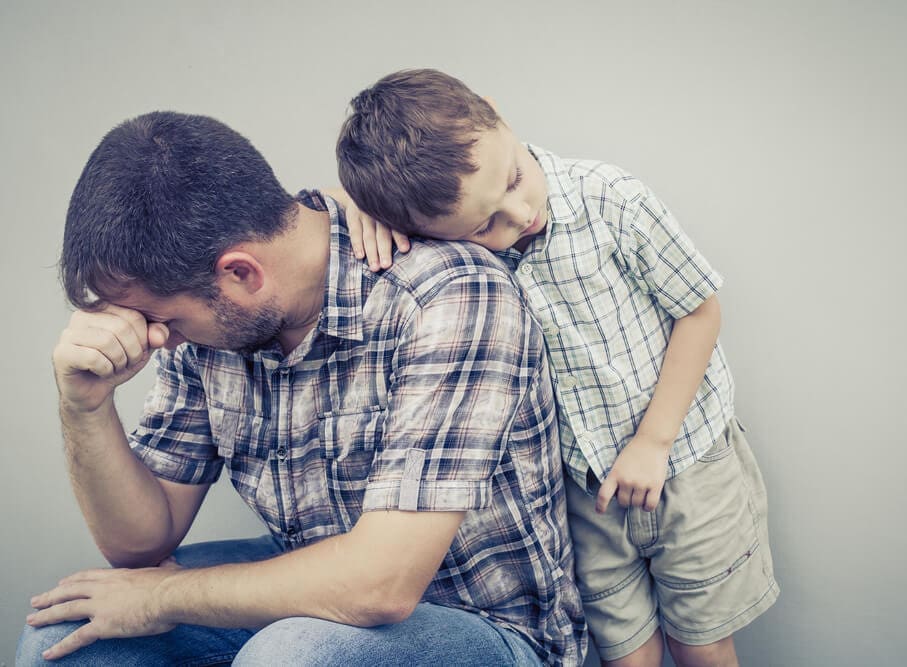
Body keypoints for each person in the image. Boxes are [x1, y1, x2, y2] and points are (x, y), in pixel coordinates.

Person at [17, 111, 585, 666]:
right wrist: (84, 405)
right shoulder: (206, 327)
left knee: (294, 654)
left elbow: (380, 586)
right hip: (306, 589)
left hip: (487, 628)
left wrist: (162, 599)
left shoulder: (450, 294)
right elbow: (140, 544)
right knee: (64, 636)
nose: (157, 339)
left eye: (168, 321)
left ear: (240, 274)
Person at [335, 69, 779, 667]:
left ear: (497, 114)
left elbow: (699, 312)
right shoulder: (451, 256)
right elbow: (310, 215)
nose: (520, 216)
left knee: (701, 643)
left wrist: (654, 441)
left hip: (687, 465)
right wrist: (352, 206)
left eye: (514, 179)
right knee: (625, 650)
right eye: (484, 224)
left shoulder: (610, 197)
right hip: (585, 490)